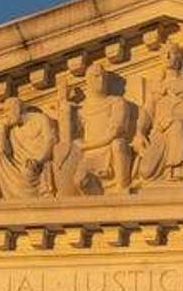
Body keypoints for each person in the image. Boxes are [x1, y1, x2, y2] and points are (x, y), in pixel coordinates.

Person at [135, 43, 183, 186]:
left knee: (178, 126)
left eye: (172, 53)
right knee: (145, 171)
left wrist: (176, 116)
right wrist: (140, 132)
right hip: (160, 133)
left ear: (180, 58)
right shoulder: (155, 86)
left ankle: (177, 168)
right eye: (164, 54)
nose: (168, 57)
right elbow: (147, 113)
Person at [55, 63, 135, 194]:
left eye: (104, 77)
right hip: (90, 156)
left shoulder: (117, 102)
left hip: (110, 151)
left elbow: (115, 132)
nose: (101, 81)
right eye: (96, 77)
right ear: (88, 81)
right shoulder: (82, 109)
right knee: (80, 180)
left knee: (118, 144)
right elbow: (67, 139)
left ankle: (122, 188)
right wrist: (64, 106)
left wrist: (85, 146)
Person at [0, 97, 58, 199]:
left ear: (17, 109)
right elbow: (0, 150)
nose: (6, 115)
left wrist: (39, 161)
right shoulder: (12, 130)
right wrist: (2, 130)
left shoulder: (40, 119)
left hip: (35, 166)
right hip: (17, 167)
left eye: (7, 110)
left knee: (27, 171)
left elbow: (50, 142)